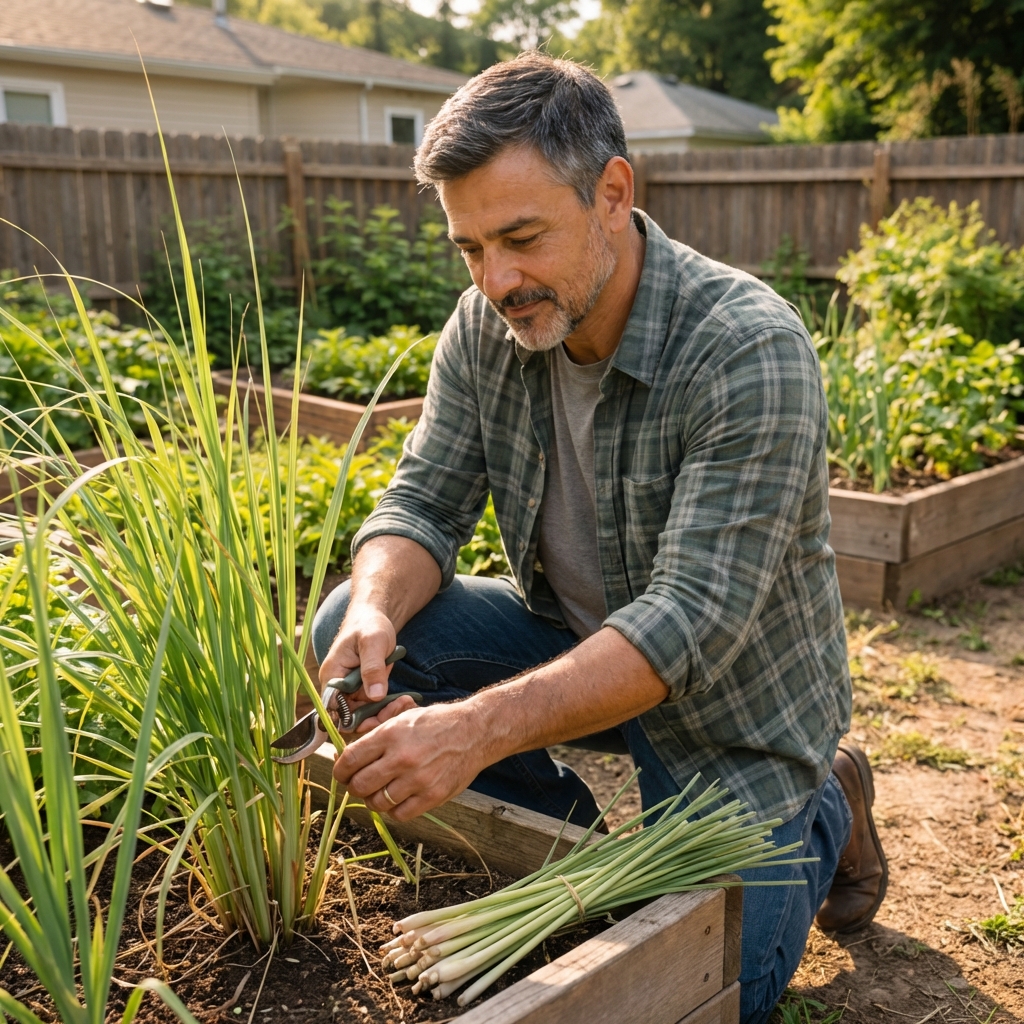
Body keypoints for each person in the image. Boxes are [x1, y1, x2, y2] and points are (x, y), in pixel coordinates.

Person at [310, 52, 887, 1024]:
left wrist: (473, 729)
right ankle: (575, 839)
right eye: (469, 249)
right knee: (356, 616)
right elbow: (421, 503)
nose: (495, 279)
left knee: (694, 993)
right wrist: (372, 604)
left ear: (613, 192)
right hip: (581, 646)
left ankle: (826, 797)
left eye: (521, 237)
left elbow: (686, 626)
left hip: (732, 715)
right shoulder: (484, 328)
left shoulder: (746, 346)